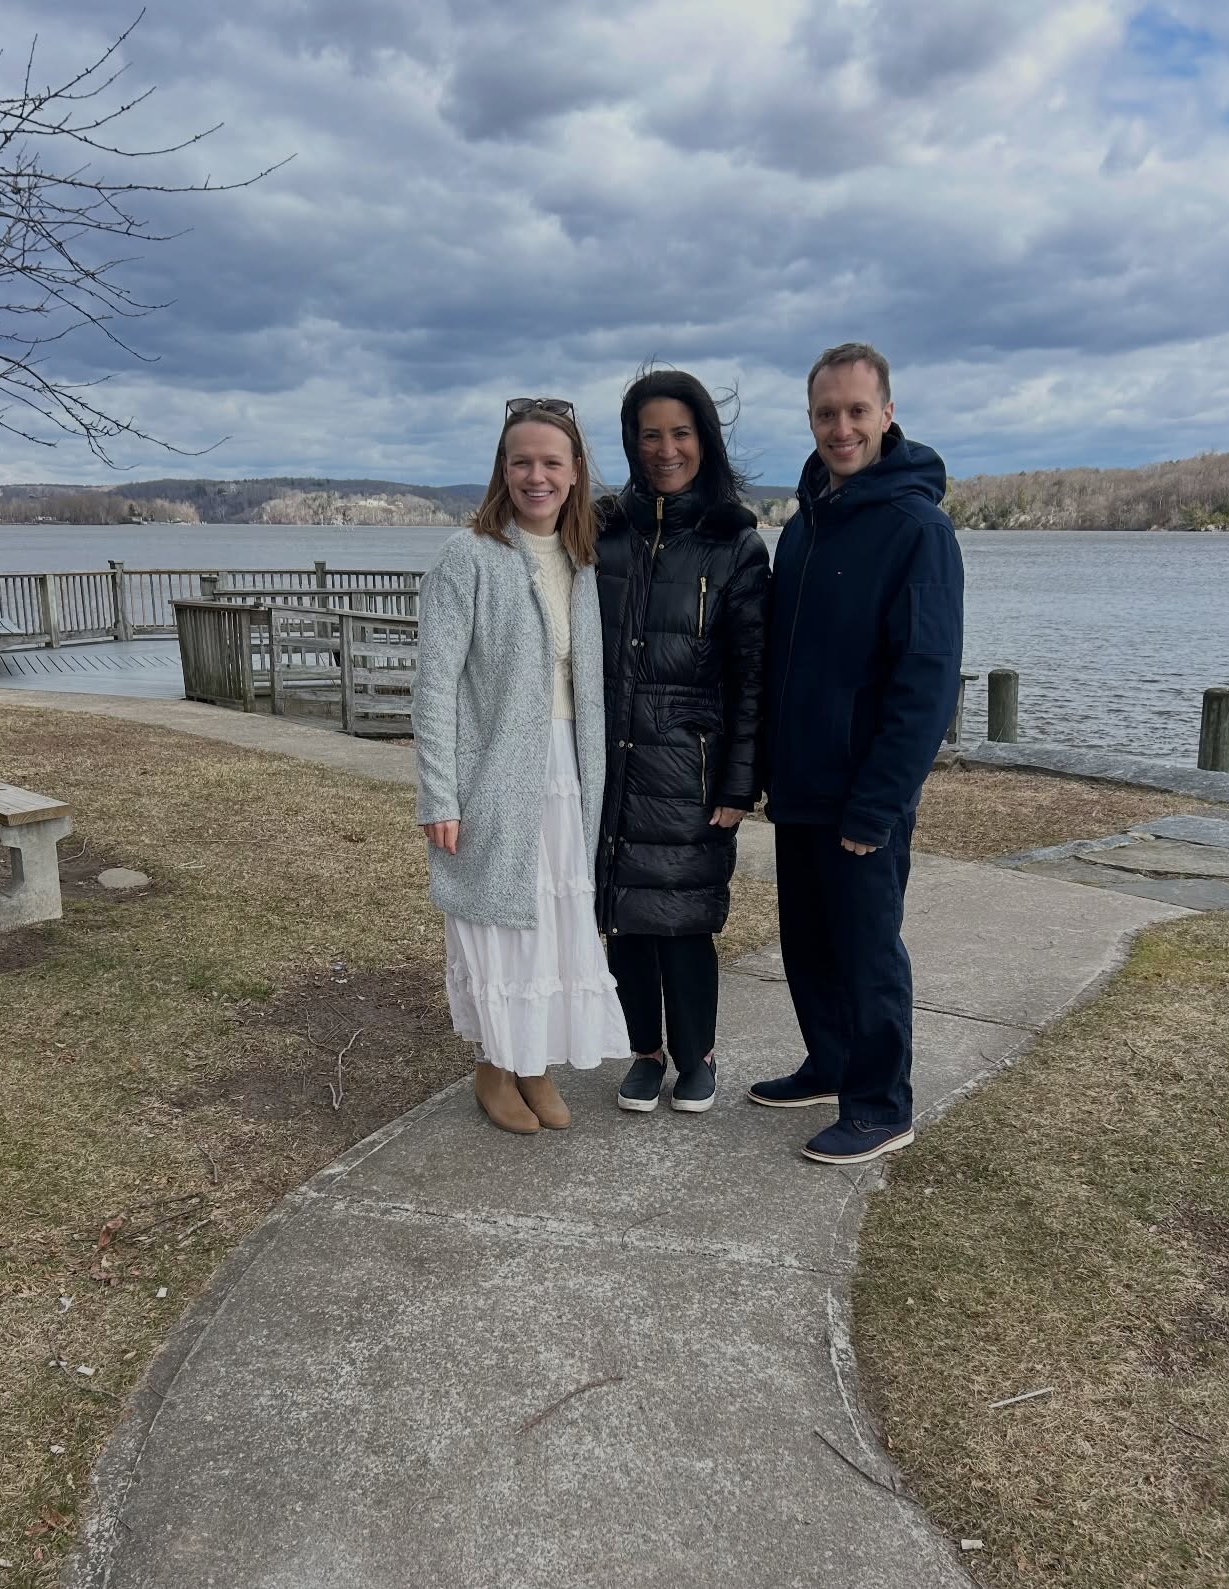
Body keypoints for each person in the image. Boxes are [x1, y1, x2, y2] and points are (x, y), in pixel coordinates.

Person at [751, 342, 964, 1165]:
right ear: (810, 420)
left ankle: (880, 1103)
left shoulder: (918, 529)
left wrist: (878, 802)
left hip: (862, 794)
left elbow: (927, 680)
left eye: (855, 411)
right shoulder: (804, 526)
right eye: (825, 413)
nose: (840, 427)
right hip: (800, 783)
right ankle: (831, 1062)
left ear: (886, 413)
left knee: (868, 948)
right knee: (807, 939)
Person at [413, 398, 630, 1133]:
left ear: (574, 473)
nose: (536, 475)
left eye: (551, 462)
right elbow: (436, 685)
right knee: (501, 917)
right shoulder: (468, 557)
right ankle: (493, 1065)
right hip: (497, 773)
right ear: (502, 471)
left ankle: (534, 1060)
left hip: (568, 767)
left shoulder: (583, 560)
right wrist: (439, 795)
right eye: (521, 461)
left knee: (555, 917)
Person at [595, 369, 770, 1115]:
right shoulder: (602, 530)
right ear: (633, 443)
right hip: (608, 759)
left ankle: (696, 1053)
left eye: (681, 433)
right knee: (625, 914)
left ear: (704, 438)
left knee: (686, 918)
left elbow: (753, 677)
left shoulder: (734, 543)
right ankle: (645, 1050)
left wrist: (738, 782)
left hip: (690, 765)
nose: (666, 449)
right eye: (650, 434)